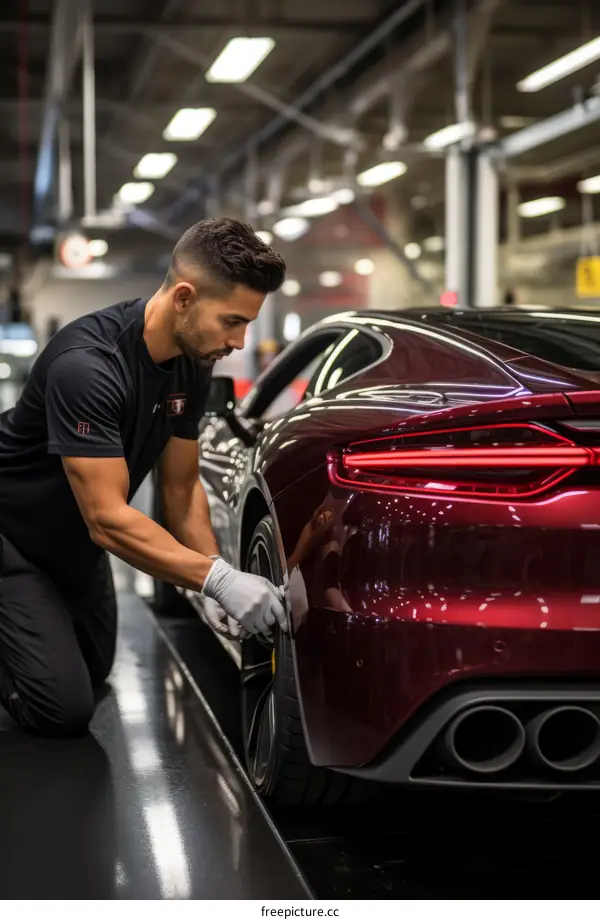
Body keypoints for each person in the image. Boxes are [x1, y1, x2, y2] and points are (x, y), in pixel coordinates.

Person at [0, 217, 288, 738]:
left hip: (70, 545)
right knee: (62, 709)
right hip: (12, 537)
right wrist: (217, 581)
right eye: (231, 321)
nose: (239, 341)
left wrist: (211, 572)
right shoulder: (88, 367)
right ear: (184, 297)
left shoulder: (191, 364)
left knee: (93, 672)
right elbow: (107, 519)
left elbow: (180, 488)